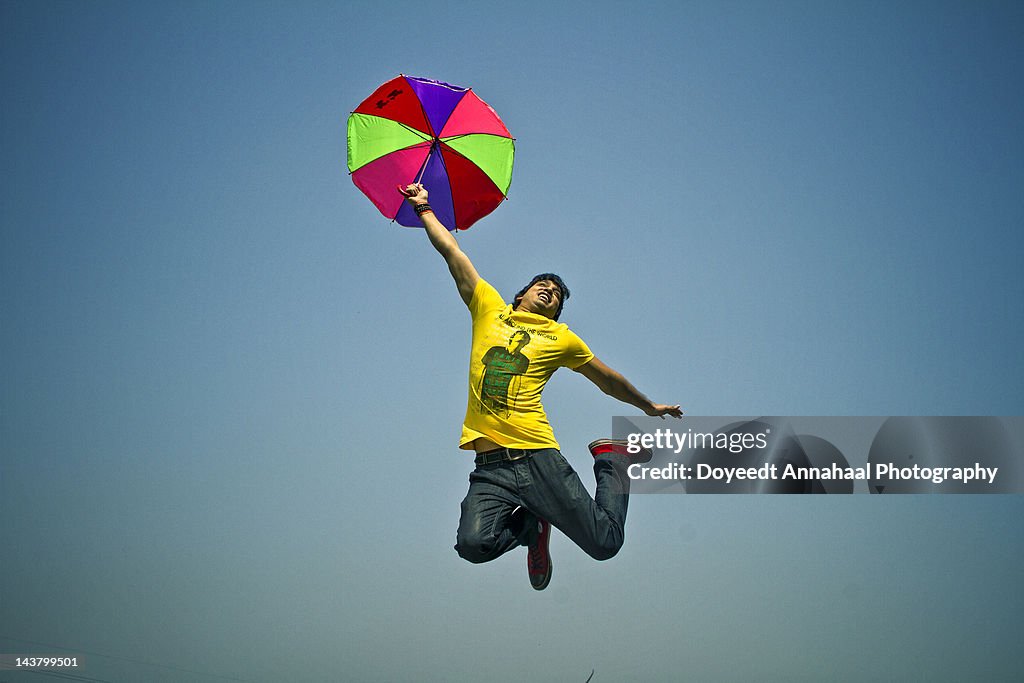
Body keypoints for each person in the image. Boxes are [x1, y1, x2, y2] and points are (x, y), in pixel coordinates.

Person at [399, 183, 683, 590]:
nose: (550, 291)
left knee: (604, 543)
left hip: (536, 459)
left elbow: (607, 380)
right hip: (491, 469)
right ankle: (531, 529)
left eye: (557, 296)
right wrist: (424, 210)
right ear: (521, 295)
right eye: (542, 286)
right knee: (473, 545)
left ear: (556, 313)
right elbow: (453, 254)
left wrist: (648, 406)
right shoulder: (489, 309)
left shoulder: (561, 338)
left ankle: (613, 463)